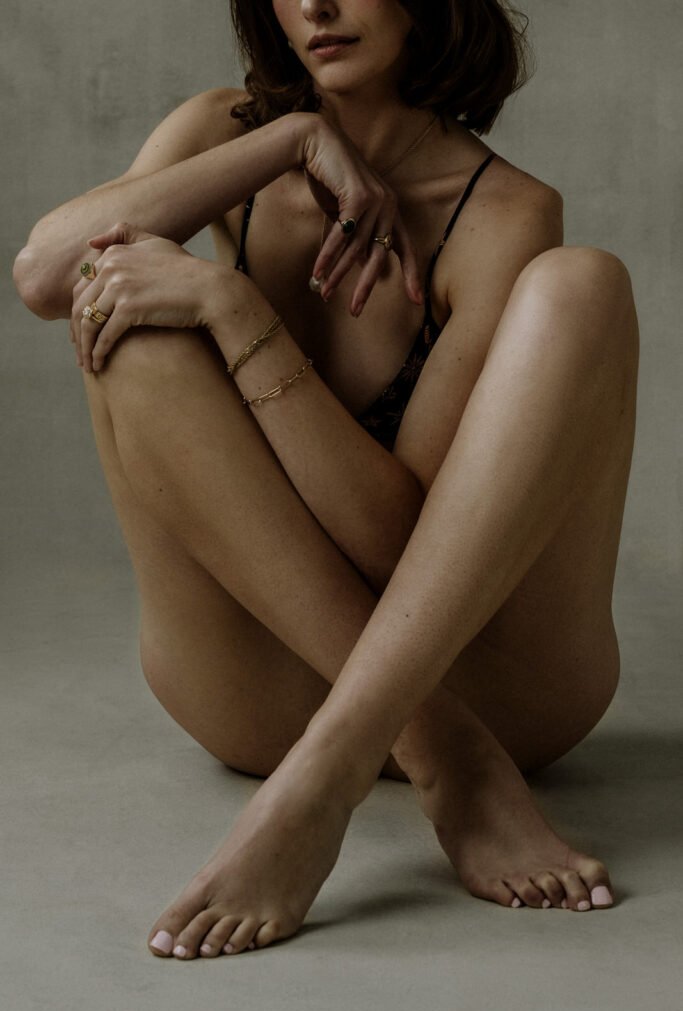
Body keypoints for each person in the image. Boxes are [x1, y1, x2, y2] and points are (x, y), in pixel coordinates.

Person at [13, 0, 638, 961]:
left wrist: (234, 311)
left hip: (484, 684)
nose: (316, 5)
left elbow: (399, 547)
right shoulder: (224, 135)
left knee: (582, 284)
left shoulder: (503, 212)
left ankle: (325, 779)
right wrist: (290, 141)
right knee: (126, 318)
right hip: (258, 687)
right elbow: (47, 275)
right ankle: (439, 755)